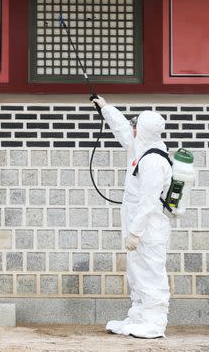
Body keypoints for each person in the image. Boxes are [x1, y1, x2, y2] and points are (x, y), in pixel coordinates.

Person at [93, 96, 172, 338]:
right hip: (138, 227)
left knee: (151, 272)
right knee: (137, 271)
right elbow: (122, 129)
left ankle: (155, 322)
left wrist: (136, 232)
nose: (133, 127)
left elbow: (148, 202)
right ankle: (138, 317)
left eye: (137, 124)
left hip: (149, 228)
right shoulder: (141, 147)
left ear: (145, 130)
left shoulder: (154, 161)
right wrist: (106, 108)